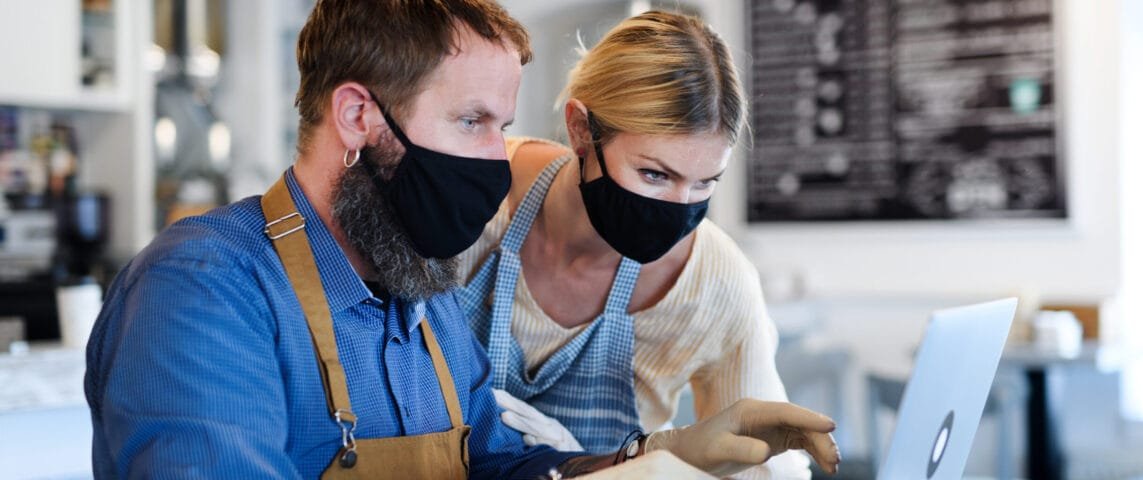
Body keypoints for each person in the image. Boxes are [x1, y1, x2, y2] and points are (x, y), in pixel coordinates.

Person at [85, 1, 839, 478]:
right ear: (358, 117)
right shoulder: (205, 289)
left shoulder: (425, 296)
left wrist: (658, 457)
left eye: (502, 128)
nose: (497, 159)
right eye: (473, 123)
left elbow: (502, 466)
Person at [457, 10, 812, 479]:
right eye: (654, 174)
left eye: (705, 182)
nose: (679, 207)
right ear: (581, 129)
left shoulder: (714, 281)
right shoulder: (472, 195)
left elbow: (767, 469)